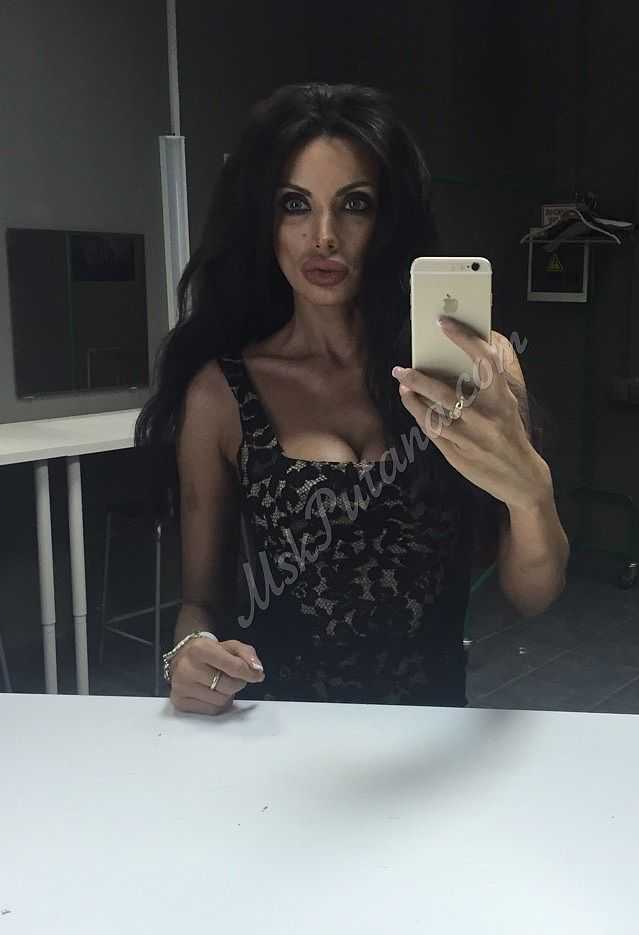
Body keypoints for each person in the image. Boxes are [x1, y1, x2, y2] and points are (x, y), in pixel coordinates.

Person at [135, 82, 568, 715]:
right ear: (263, 220)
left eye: (354, 205)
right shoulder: (221, 392)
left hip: (431, 733)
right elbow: (201, 602)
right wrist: (190, 652)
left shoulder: (478, 369)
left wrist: (532, 491)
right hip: (282, 734)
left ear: (388, 219)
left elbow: (534, 596)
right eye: (295, 205)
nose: (324, 236)